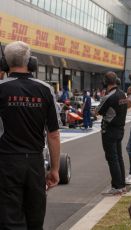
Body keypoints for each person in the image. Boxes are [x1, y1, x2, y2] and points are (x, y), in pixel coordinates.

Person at [0, 41, 60, 229]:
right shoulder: (45, 89)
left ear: (4, 63)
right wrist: (55, 169)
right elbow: (54, 135)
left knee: (10, 221)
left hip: (6, 162)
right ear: (31, 63)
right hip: (35, 162)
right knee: (35, 219)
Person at [96, 71, 128, 195]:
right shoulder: (123, 95)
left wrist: (103, 97)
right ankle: (122, 185)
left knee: (112, 159)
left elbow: (97, 112)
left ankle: (117, 187)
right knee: (118, 157)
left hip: (109, 131)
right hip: (120, 129)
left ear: (105, 82)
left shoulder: (108, 97)